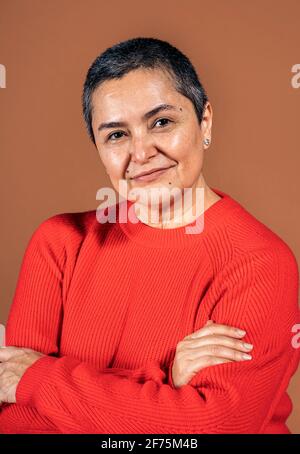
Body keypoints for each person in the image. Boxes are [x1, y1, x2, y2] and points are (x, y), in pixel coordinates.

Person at [0, 37, 299, 434]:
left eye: (161, 122)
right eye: (116, 135)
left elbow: (214, 430)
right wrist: (165, 382)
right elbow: (20, 421)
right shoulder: (59, 243)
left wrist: (40, 380)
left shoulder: (260, 262)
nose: (141, 154)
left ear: (204, 121)